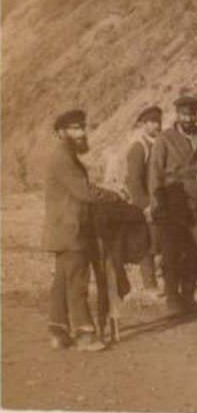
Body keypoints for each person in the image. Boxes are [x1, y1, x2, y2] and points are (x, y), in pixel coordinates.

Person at [43, 109, 121, 351]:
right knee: (77, 280)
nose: (82, 132)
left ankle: (58, 331)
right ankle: (84, 334)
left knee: (62, 280)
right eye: (75, 128)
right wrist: (114, 196)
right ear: (61, 132)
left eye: (82, 127)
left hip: (62, 228)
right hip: (72, 229)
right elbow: (84, 191)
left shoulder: (63, 155)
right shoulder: (63, 157)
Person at [148, 95, 197, 314]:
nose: (189, 119)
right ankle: (172, 299)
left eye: (192, 114)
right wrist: (158, 205)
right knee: (173, 252)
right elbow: (155, 174)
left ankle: (188, 296)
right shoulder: (164, 139)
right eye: (185, 114)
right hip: (173, 203)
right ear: (177, 115)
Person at [123, 105, 163, 291]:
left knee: (160, 240)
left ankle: (164, 279)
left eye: (158, 121)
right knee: (147, 244)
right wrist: (145, 205)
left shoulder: (161, 143)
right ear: (144, 124)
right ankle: (150, 285)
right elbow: (134, 181)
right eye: (153, 122)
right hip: (145, 204)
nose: (157, 125)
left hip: (161, 201)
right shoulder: (139, 147)